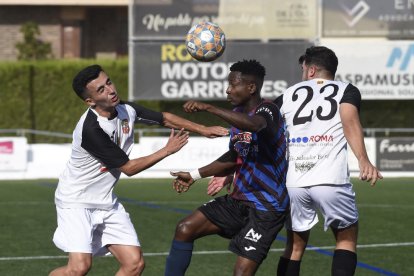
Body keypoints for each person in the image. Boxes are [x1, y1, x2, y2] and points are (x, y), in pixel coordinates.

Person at [49, 64, 229, 276]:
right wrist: (167, 150)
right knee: (79, 268)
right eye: (101, 90)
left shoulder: (127, 110)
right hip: (76, 202)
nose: (110, 90)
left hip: (105, 201)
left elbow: (164, 118)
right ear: (90, 101)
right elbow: (129, 168)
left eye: (108, 82)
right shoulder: (91, 129)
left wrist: (203, 129)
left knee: (134, 265)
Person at [164, 59, 289, 276]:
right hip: (238, 201)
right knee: (185, 228)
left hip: (266, 207)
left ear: (251, 88)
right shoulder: (238, 117)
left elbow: (256, 125)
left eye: (233, 85)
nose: (228, 90)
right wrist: (194, 175)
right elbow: (234, 156)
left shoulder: (269, 110)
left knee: (241, 273)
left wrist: (209, 107)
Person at [273, 46, 383, 276]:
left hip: (294, 182)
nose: (303, 73)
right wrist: (364, 160)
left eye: (304, 68)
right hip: (330, 179)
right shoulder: (347, 90)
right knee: (346, 240)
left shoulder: (287, 94)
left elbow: (265, 127)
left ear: (312, 70)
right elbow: (350, 122)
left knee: (293, 247)